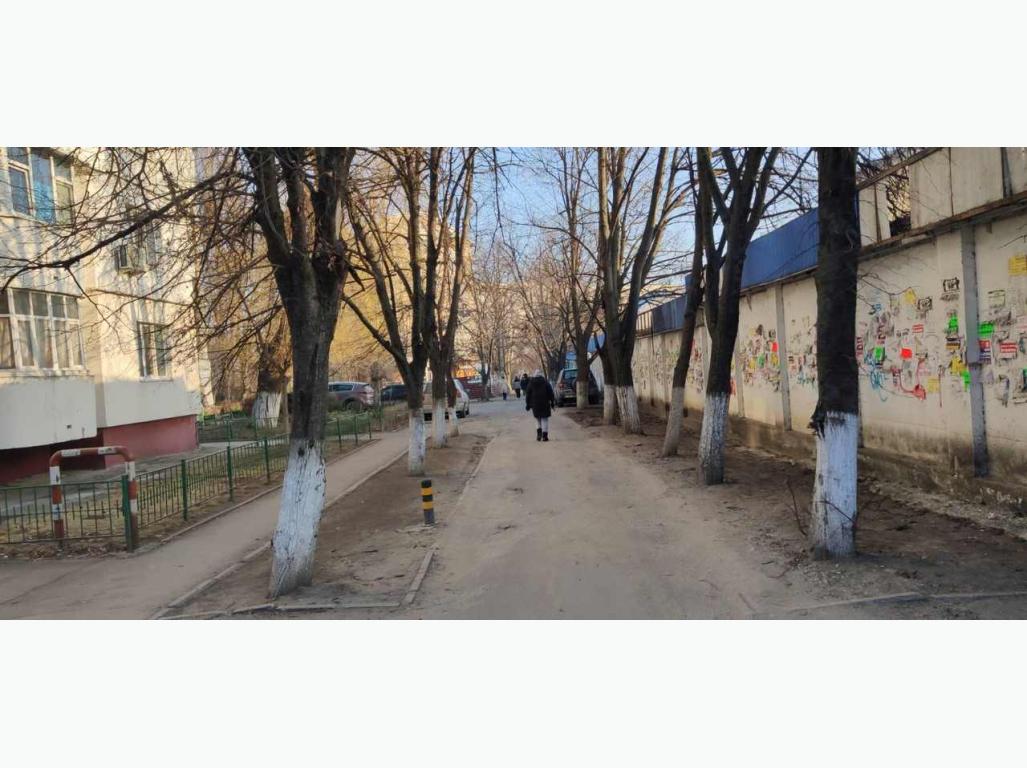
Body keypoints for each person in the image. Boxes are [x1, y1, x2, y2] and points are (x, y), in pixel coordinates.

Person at [525, 369, 555, 442]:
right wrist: (552, 402)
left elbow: (528, 394)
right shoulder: (545, 382)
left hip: (535, 404)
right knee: (544, 419)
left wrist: (528, 404)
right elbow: (550, 392)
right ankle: (545, 436)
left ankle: (539, 435)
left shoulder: (531, 383)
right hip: (545, 403)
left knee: (537, 419)